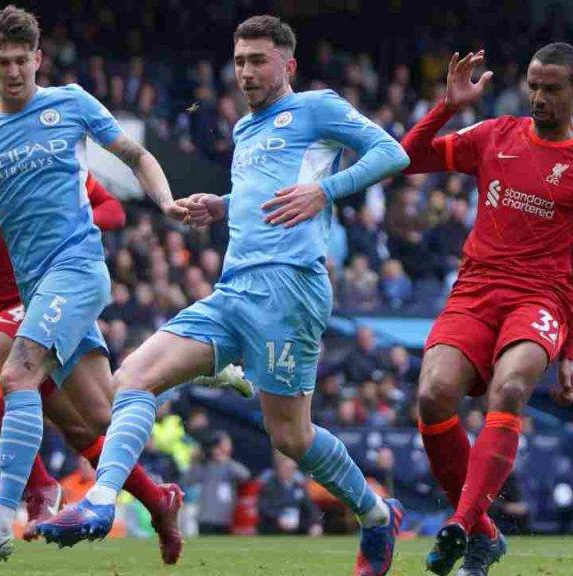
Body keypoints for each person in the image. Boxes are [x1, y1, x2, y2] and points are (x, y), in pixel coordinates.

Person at [39, 15, 409, 576]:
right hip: (233, 289)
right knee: (130, 381)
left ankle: (378, 514)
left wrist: (324, 191)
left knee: (291, 437)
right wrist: (224, 204)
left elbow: (391, 152)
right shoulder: (244, 130)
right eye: (239, 61)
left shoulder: (317, 107)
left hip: (290, 289)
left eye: (258, 60)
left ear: (288, 64)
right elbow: (260, 194)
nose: (246, 72)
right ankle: (99, 502)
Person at [0, 5, 189, 565]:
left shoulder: (70, 103)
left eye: (24, 60)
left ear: (38, 59)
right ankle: (164, 492)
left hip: (77, 267)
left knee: (15, 374)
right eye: (4, 62)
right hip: (36, 286)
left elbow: (136, 154)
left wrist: (166, 201)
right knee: (101, 416)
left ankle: (4, 517)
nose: (15, 71)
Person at [401, 44, 573, 576]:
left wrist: (570, 352)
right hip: (476, 290)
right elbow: (409, 156)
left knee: (511, 388)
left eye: (551, 88)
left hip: (541, 297)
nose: (539, 98)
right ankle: (484, 534)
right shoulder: (495, 134)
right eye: (533, 86)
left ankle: (461, 523)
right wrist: (448, 107)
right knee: (432, 395)